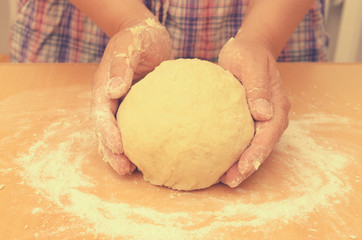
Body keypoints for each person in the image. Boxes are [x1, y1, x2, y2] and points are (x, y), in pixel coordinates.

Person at [10, 0, 328, 188]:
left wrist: (261, 39)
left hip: (273, 17)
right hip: (84, 26)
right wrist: (127, 21)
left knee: (259, 94)